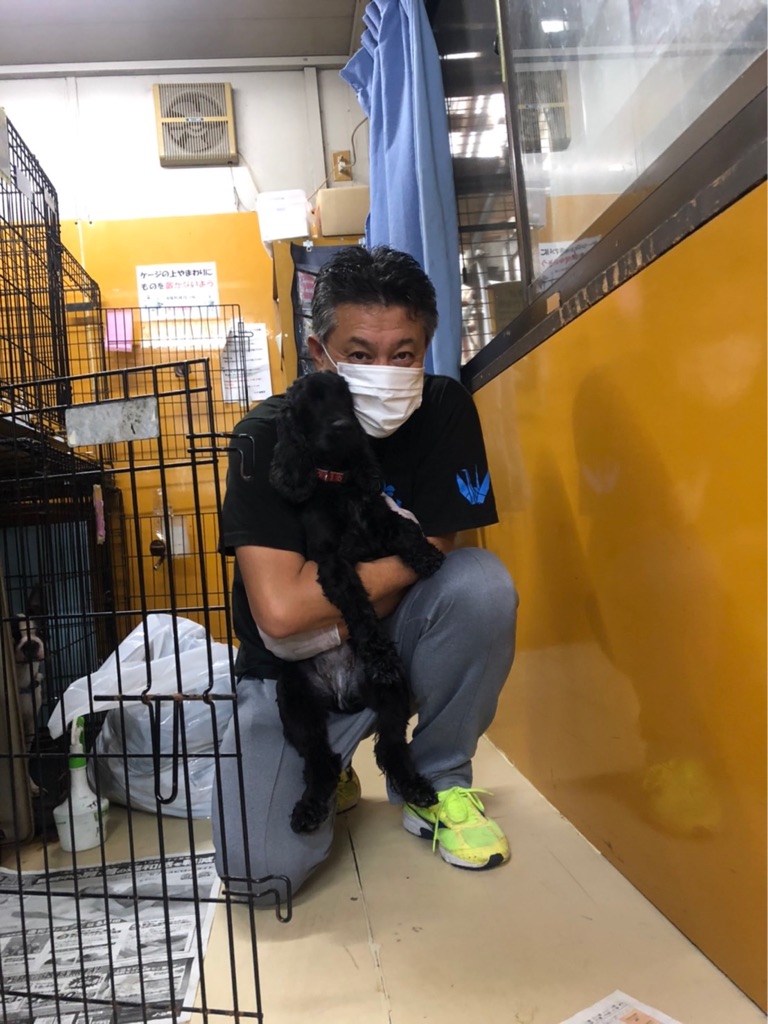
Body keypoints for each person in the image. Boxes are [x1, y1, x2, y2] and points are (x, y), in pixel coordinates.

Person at [213, 245, 518, 903]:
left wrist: (338, 598)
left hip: (387, 648)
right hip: (292, 671)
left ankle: (439, 780)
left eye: (402, 354)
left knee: (479, 585)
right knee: (258, 876)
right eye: (360, 353)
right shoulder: (265, 434)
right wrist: (371, 586)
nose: (384, 372)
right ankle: (330, 762)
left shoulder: (443, 409)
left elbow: (438, 544)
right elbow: (281, 615)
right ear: (319, 354)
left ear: (426, 350)